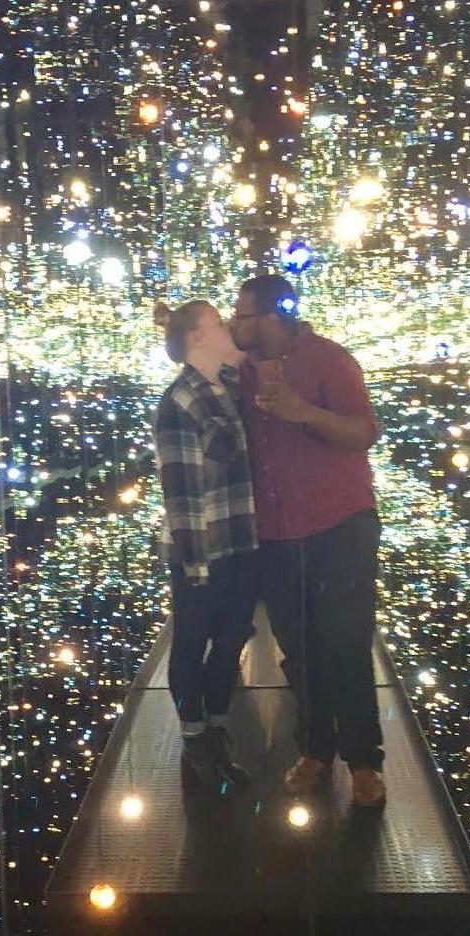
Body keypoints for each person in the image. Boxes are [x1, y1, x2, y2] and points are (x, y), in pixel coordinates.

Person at [230, 274, 386, 808]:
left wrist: (305, 413)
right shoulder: (237, 373)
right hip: (274, 533)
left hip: (341, 525)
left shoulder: (328, 359)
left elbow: (365, 432)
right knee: (298, 648)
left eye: (244, 314)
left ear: (273, 317)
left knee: (345, 642)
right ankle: (316, 750)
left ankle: (365, 762)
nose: (235, 323)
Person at [153, 299, 258, 790]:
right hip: (204, 546)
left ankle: (216, 724)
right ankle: (194, 734)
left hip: (241, 539)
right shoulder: (178, 402)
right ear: (196, 337)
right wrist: (195, 566)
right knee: (192, 641)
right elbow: (182, 493)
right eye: (218, 323)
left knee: (233, 636)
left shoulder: (228, 387)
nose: (229, 328)